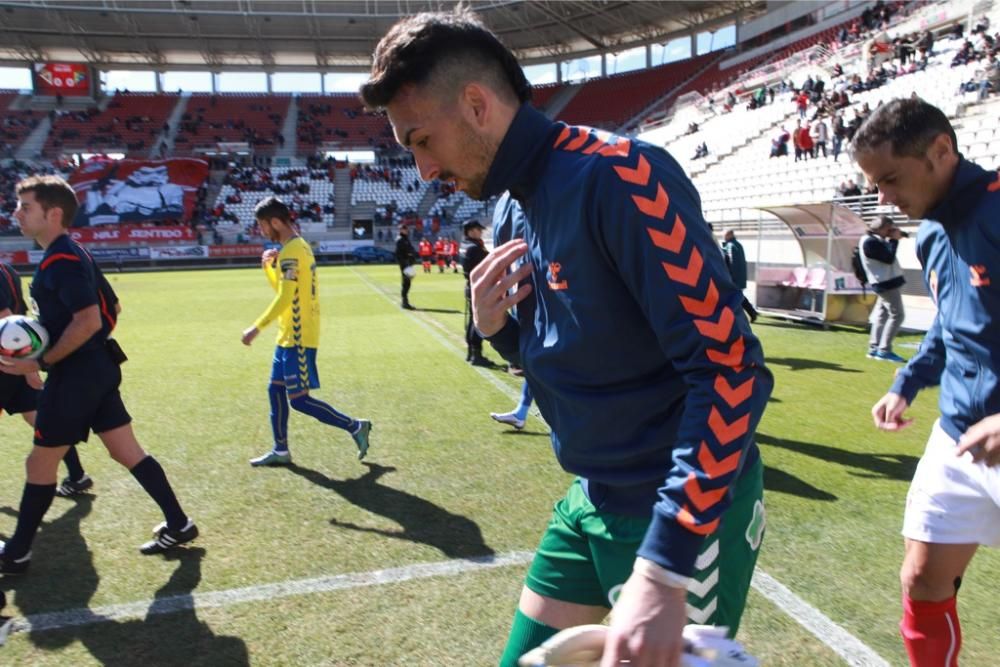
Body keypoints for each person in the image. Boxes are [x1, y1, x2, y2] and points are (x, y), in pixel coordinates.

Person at [360, 9, 773, 665]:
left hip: (677, 512)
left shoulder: (620, 176)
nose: (421, 168)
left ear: (476, 105)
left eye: (420, 139)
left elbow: (731, 372)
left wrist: (665, 566)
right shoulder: (509, 204)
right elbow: (573, 359)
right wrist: (497, 333)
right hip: (590, 497)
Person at [852, 97, 1000, 667]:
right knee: (920, 582)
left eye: (890, 178)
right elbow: (951, 320)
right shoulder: (931, 233)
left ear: (941, 150)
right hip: (957, 438)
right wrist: (907, 381)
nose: (883, 196)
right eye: (873, 182)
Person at [0, 175, 198, 573]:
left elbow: (89, 319)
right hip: (97, 369)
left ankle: (16, 552)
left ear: (53, 214)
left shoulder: (62, 259)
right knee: (126, 451)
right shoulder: (73, 253)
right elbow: (113, 309)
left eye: (25, 207)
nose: (16, 213)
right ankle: (180, 524)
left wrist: (41, 361)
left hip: (75, 377)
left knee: (39, 465)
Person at [241, 196, 372, 466]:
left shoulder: (292, 251)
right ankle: (280, 450)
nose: (262, 231)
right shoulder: (294, 247)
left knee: (299, 400)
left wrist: (257, 327)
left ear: (276, 222)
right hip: (288, 334)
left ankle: (355, 426)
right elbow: (285, 290)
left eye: (264, 225)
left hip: (298, 336)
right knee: (274, 391)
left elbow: (285, 298)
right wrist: (268, 268)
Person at [0, 262, 93, 498]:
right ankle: (77, 476)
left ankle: (76, 476)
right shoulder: (7, 268)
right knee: (41, 422)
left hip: (8, 363)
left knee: (42, 421)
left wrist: (28, 368)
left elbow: (7, 318)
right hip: (16, 362)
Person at [857, 215, 907, 362]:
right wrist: (893, 240)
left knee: (882, 315)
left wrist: (891, 239)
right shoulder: (870, 242)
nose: (890, 232)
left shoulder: (873, 240)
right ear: (882, 228)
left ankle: (874, 348)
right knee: (897, 315)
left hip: (883, 282)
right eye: (888, 229)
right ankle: (884, 350)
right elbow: (888, 258)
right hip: (886, 283)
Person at [460, 219, 494, 366]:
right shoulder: (474, 247)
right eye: (477, 230)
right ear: (470, 231)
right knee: (477, 322)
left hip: (471, 286)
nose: (480, 232)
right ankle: (476, 354)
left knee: (472, 321)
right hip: (478, 287)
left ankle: (471, 352)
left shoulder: (466, 245)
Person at [721, 229, 758, 323]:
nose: (723, 236)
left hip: (734, 277)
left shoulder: (730, 246)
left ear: (728, 235)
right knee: (738, 296)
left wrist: (729, 276)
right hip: (739, 277)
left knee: (737, 297)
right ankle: (752, 312)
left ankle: (751, 313)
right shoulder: (737, 245)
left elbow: (731, 262)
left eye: (724, 235)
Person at [395, 224, 418, 309]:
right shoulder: (400, 239)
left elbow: (410, 249)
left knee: (408, 281)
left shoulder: (405, 238)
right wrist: (404, 262)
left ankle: (405, 301)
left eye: (406, 229)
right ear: (401, 230)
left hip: (408, 263)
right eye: (404, 229)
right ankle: (405, 302)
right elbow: (398, 254)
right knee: (406, 283)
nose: (406, 230)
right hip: (405, 264)